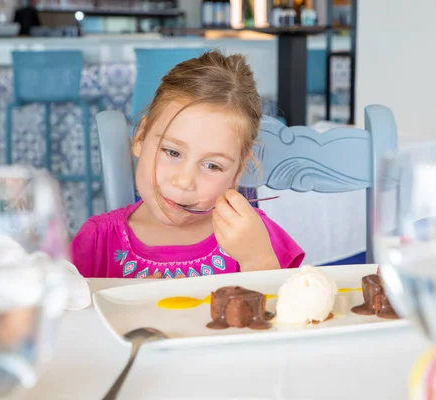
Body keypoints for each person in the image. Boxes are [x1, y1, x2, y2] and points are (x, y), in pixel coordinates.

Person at [70, 50, 304, 279]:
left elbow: (289, 312)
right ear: (141, 137)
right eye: (172, 152)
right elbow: (67, 315)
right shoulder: (97, 241)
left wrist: (257, 260)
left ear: (238, 172)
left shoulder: (254, 236)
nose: (184, 182)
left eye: (212, 166)